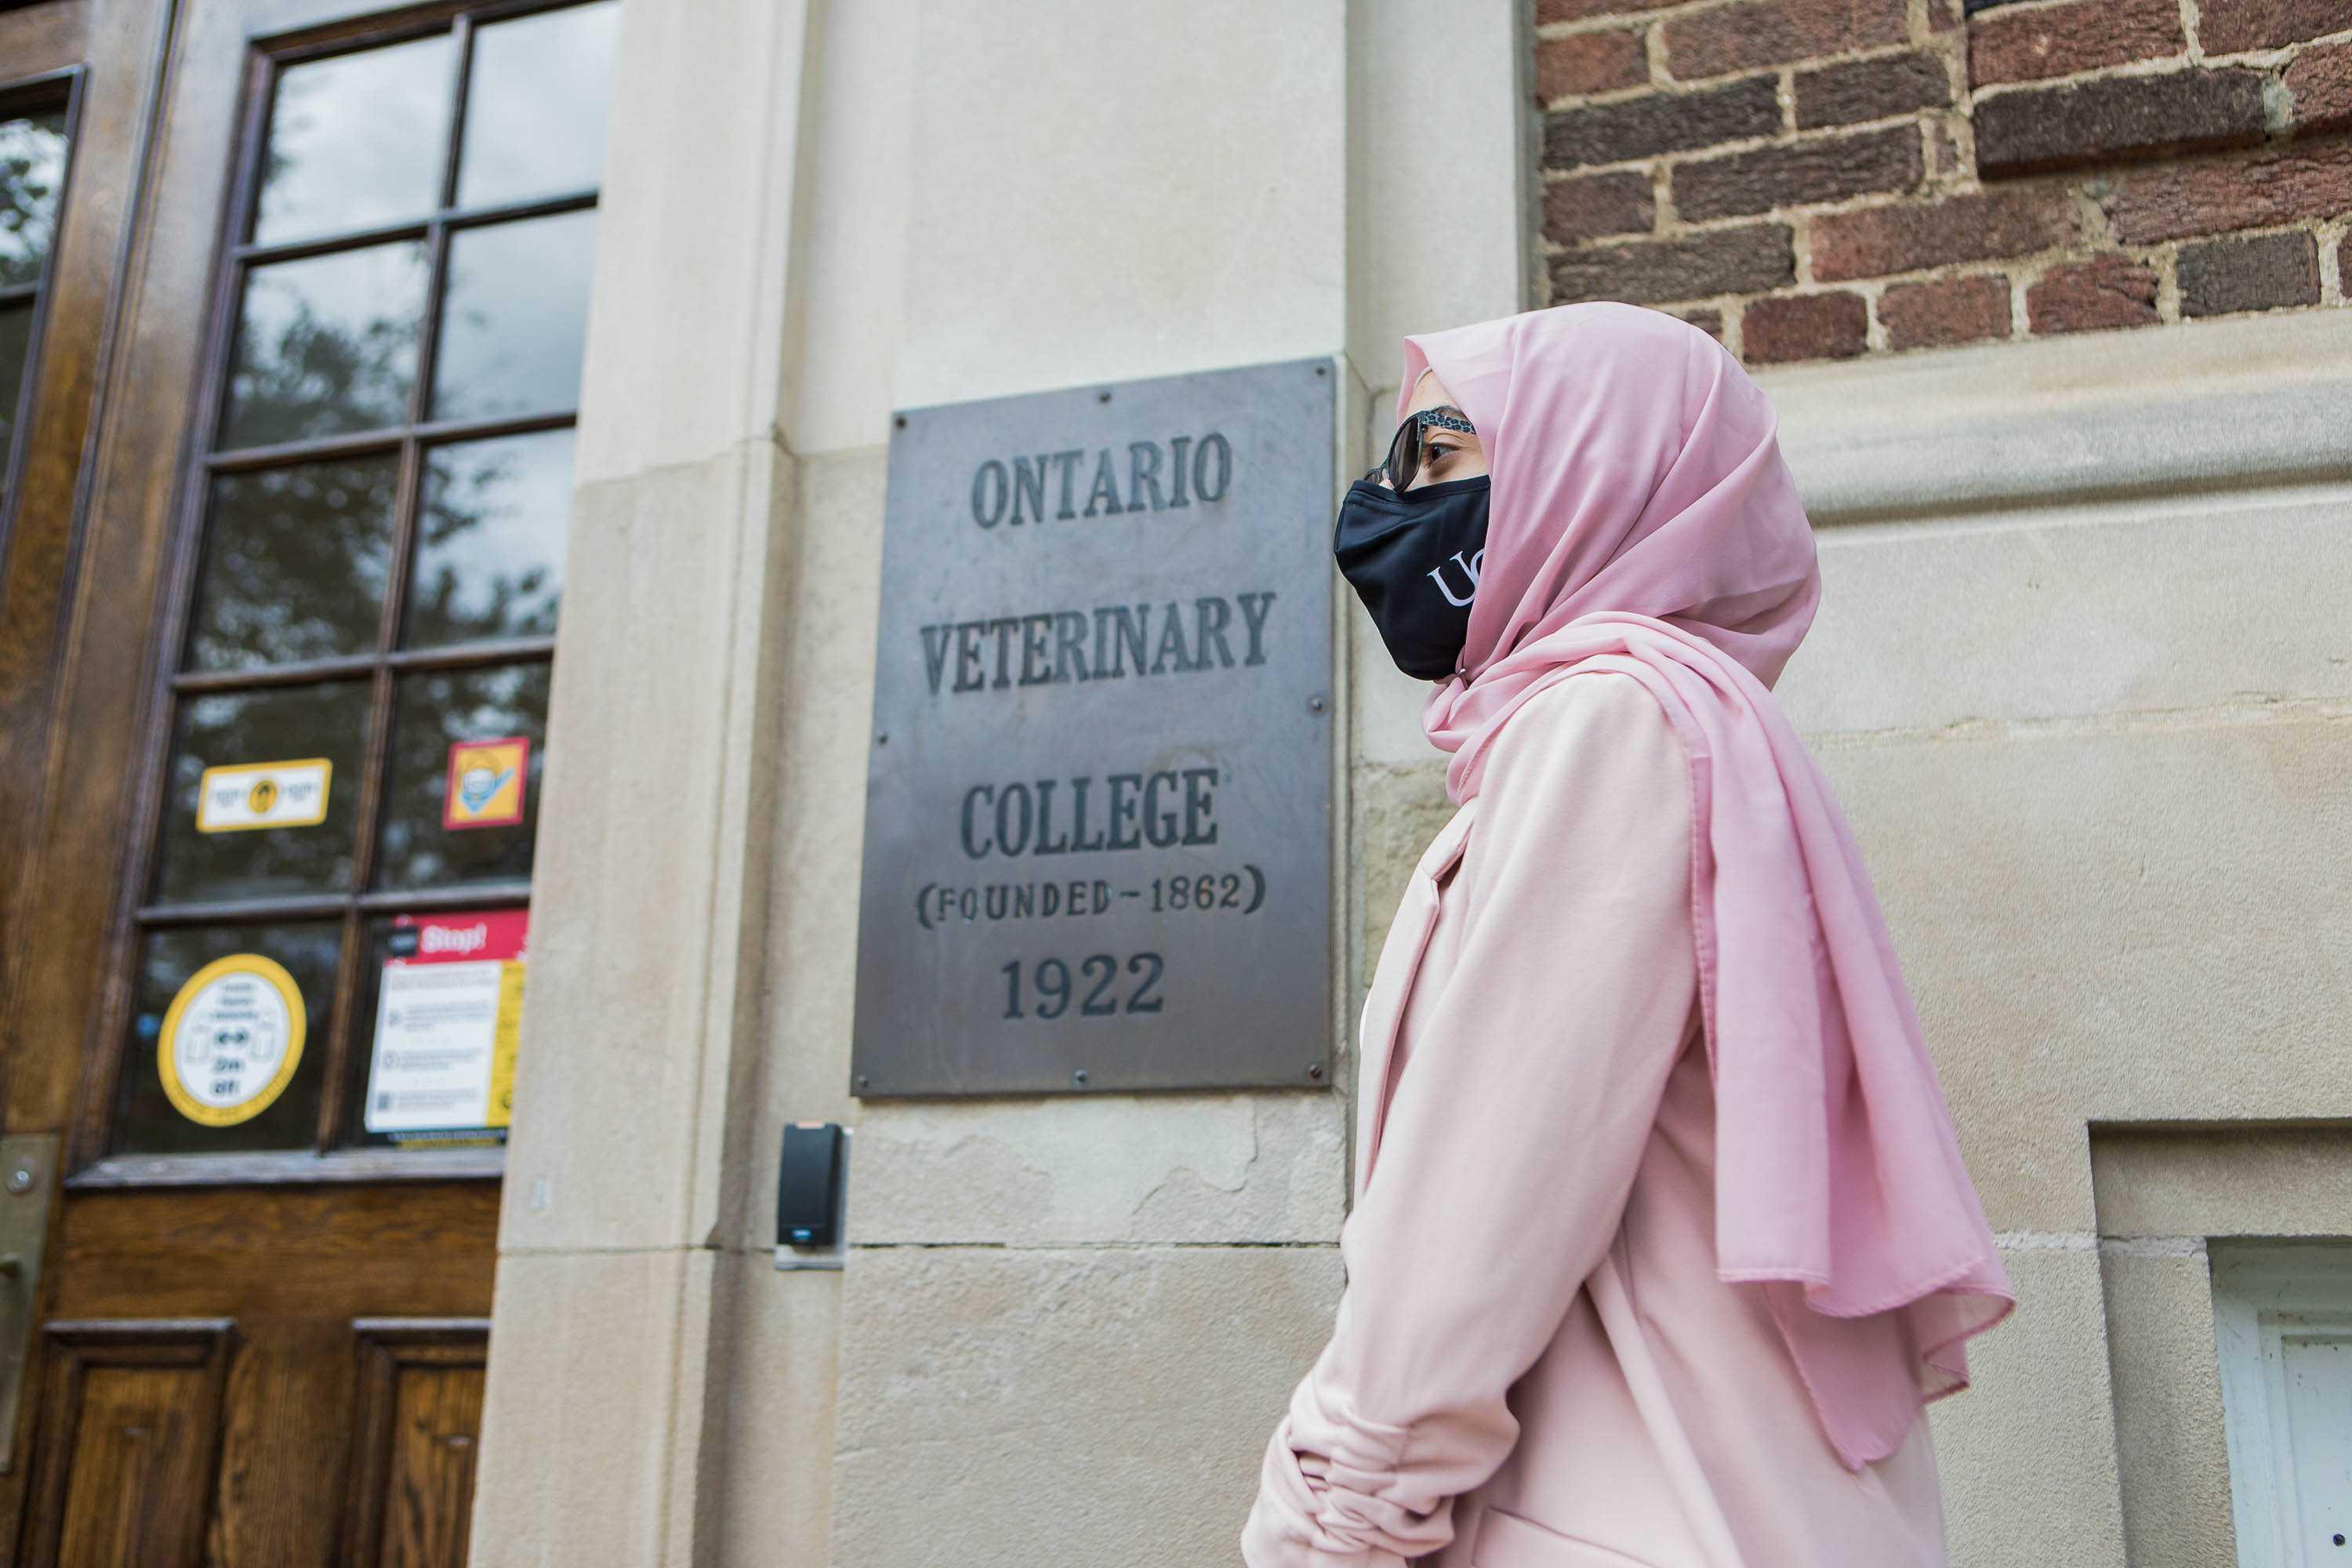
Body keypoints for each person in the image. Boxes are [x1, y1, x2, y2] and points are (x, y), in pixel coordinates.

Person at [1240, 302, 2015, 1567]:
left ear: (1590, 468)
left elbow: (1479, 1197)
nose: (1392, 500)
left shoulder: (1609, 725)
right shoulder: (1676, 730)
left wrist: (1331, 1520)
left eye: (1440, 451)